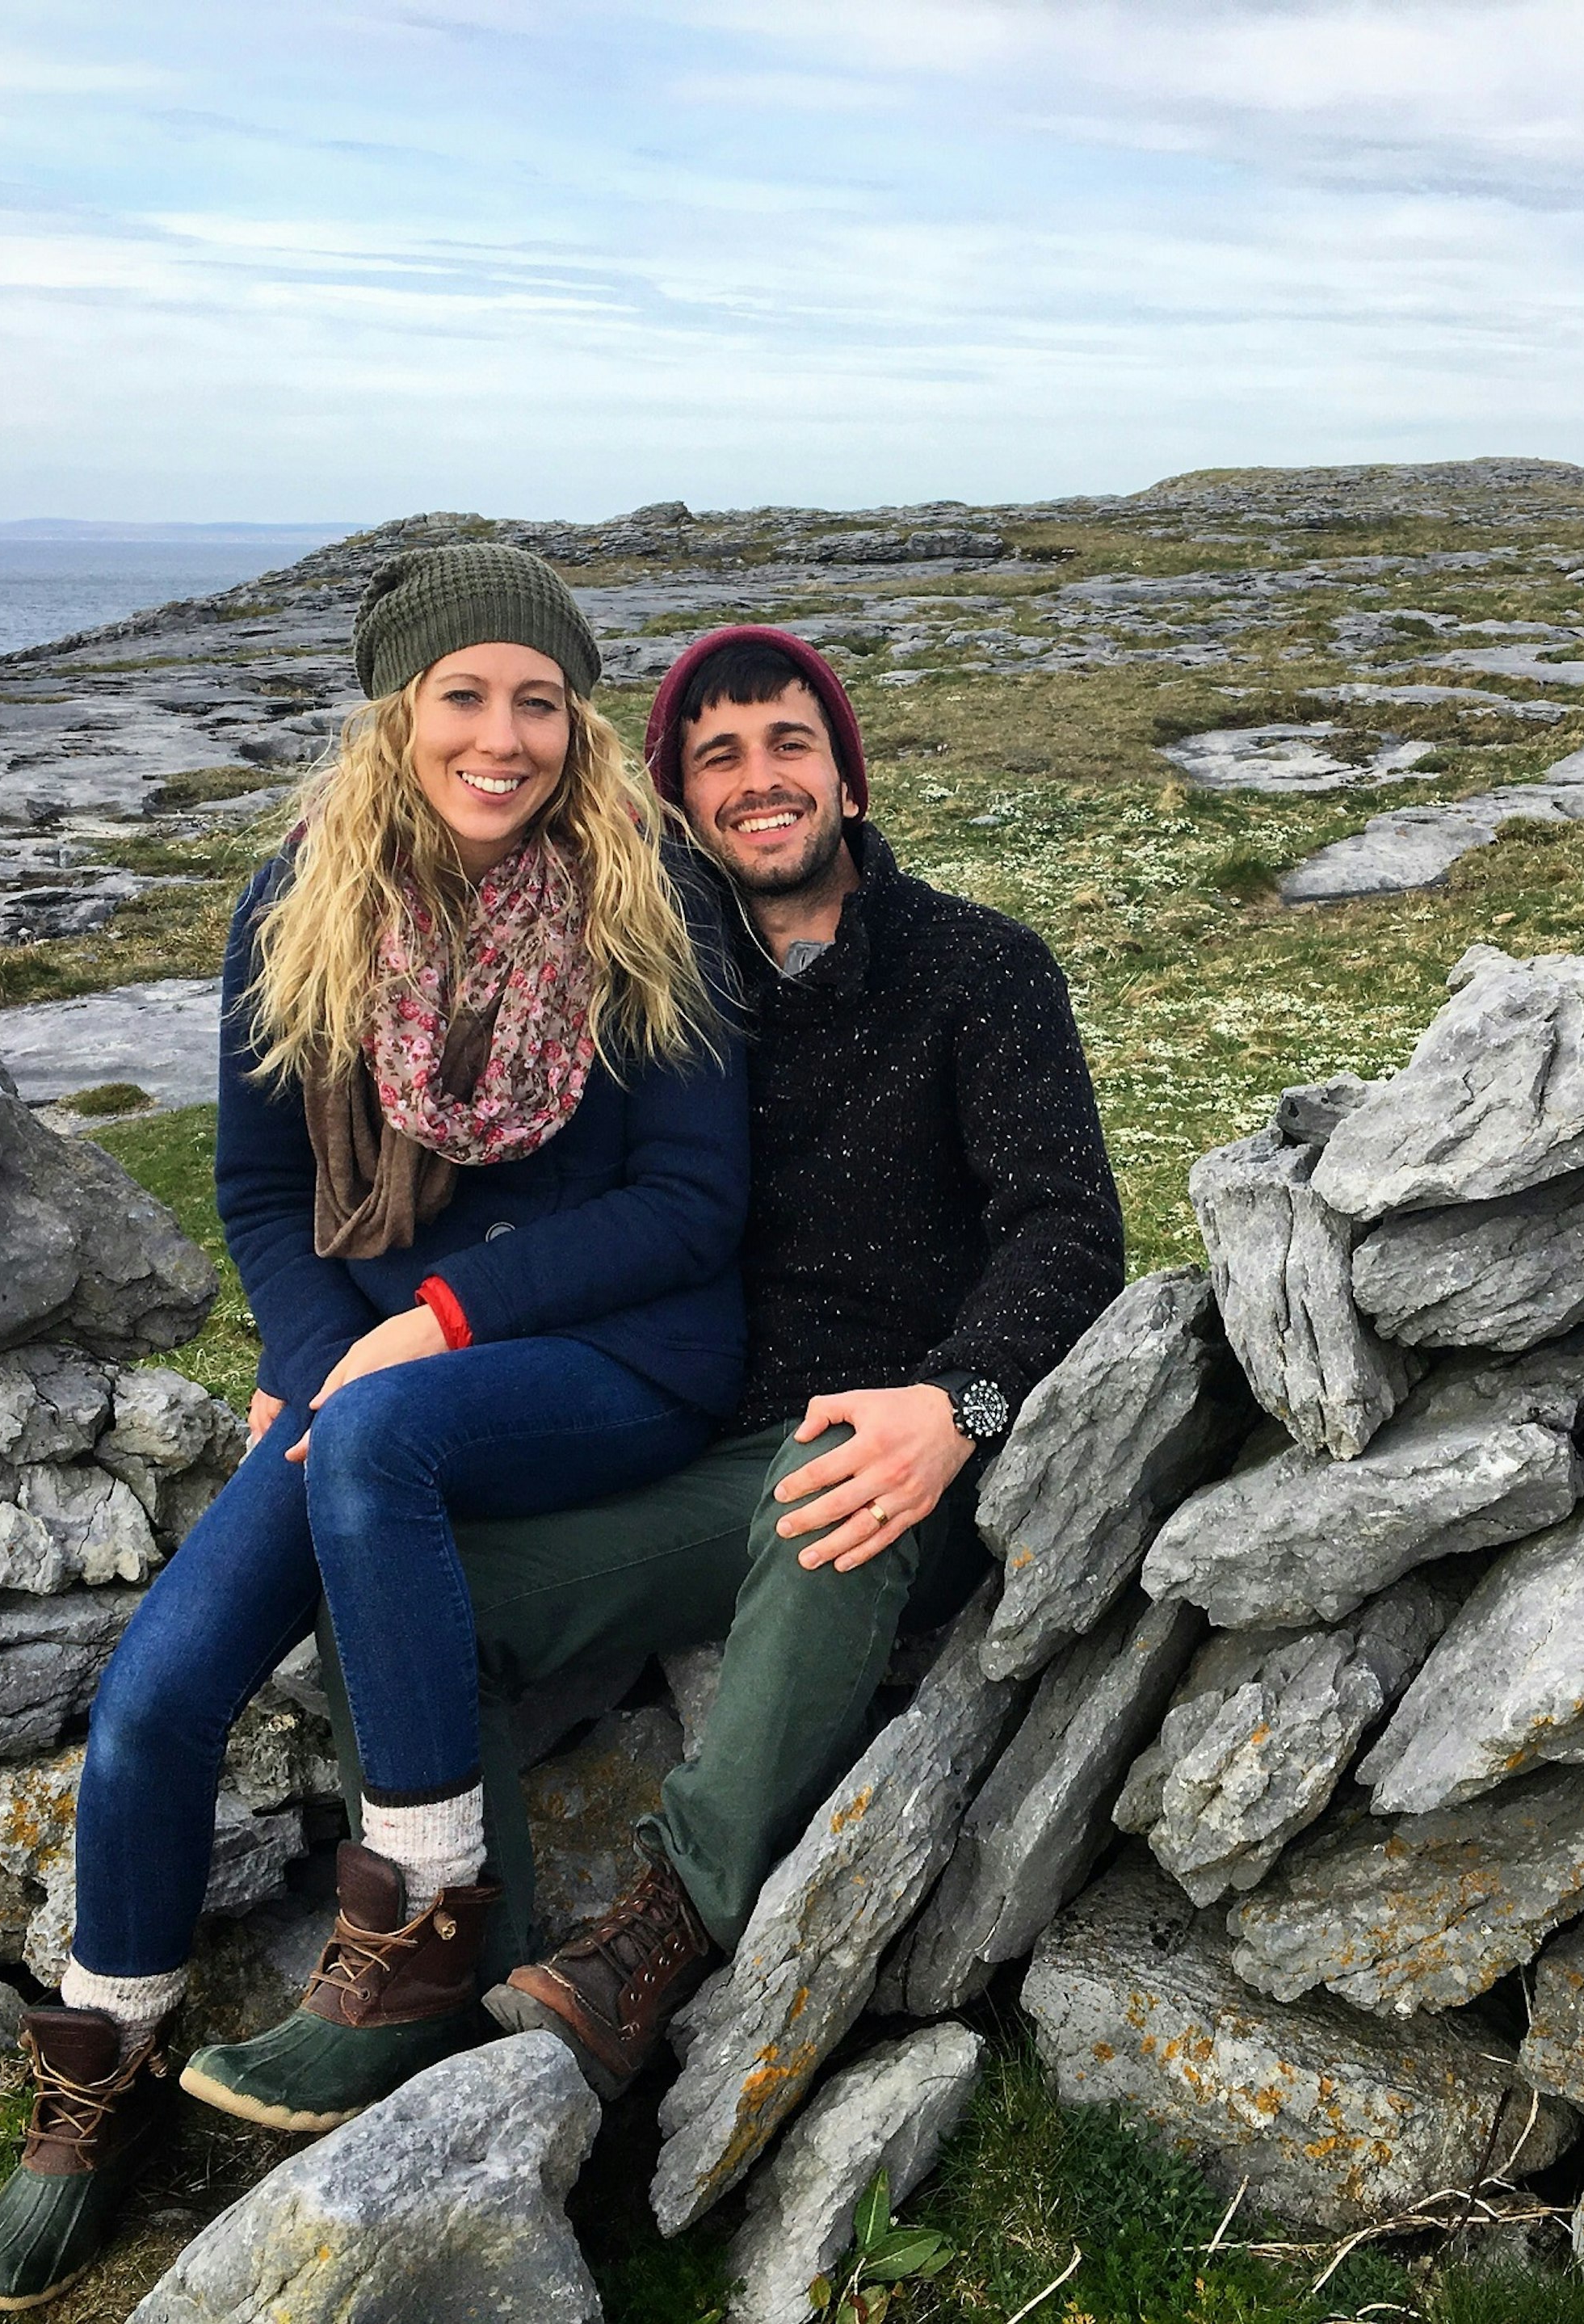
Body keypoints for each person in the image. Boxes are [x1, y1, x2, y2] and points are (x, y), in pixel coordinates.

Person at [0, 545, 746, 2313]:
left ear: (579, 721)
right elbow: (255, 1188)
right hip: (376, 1372)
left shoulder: (647, 902)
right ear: (396, 716)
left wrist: (431, 1326)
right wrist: (329, 1356)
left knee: (382, 1450)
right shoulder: (297, 901)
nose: (505, 734)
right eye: (463, 695)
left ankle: (428, 1913)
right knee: (158, 1693)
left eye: (539, 699)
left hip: (617, 1353)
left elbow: (694, 1205)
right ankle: (106, 2076)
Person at [458, 624, 1127, 2095]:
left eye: (789, 744)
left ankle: (658, 1932)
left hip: (919, 1451)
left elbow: (1071, 1234)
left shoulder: (983, 969)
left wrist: (959, 1405)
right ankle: (463, 1973)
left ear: (844, 773)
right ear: (683, 805)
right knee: (451, 1602)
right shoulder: (662, 999)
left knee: (835, 1485)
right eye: (720, 757)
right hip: (712, 1450)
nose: (761, 780)